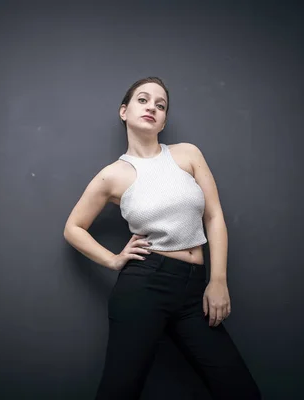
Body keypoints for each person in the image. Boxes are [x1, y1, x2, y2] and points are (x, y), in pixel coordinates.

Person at [63, 77, 261, 399]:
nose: (152, 108)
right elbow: (73, 227)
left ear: (164, 119)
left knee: (240, 391)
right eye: (143, 100)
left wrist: (218, 280)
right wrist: (113, 260)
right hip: (144, 286)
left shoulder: (187, 155)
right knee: (119, 392)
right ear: (124, 111)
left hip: (194, 290)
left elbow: (214, 217)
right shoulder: (112, 175)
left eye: (160, 105)